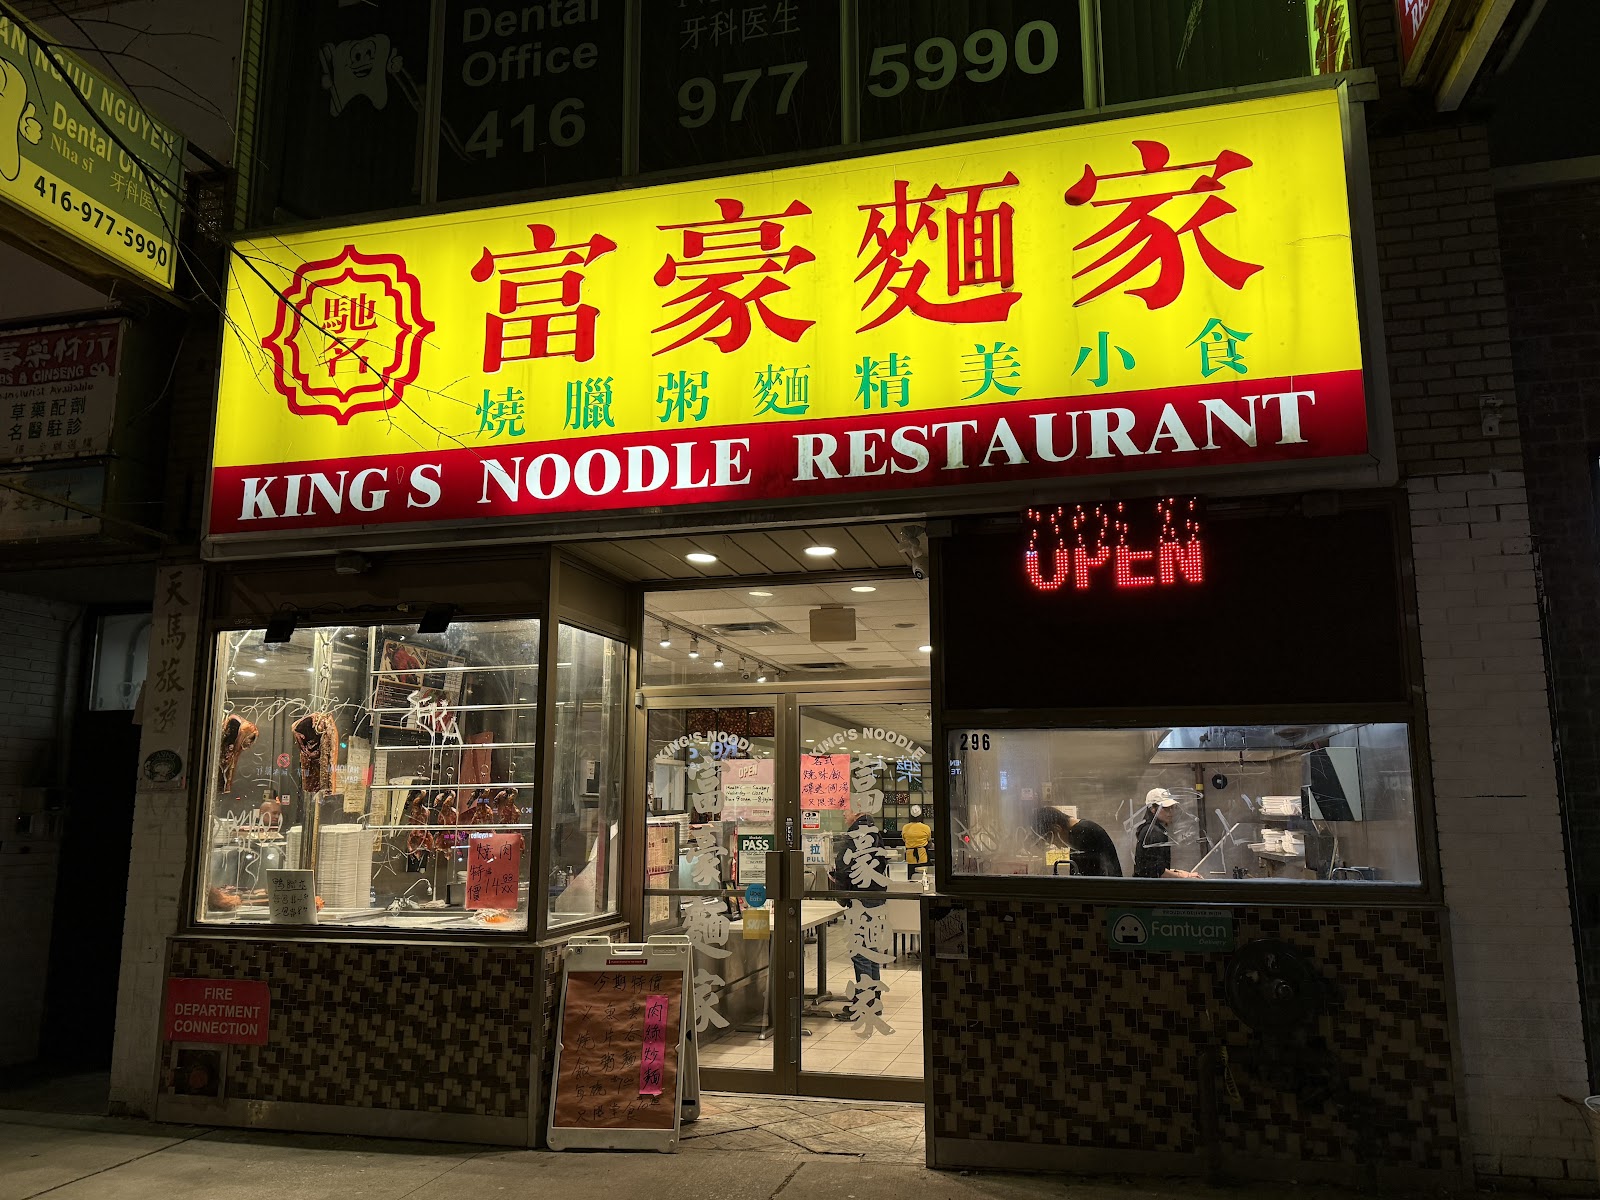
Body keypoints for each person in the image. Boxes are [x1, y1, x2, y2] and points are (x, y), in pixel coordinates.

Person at [830, 813, 887, 1020]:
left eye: (846, 810)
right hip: (874, 896)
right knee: (870, 949)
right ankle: (873, 1000)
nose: (843, 813)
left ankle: (865, 1004)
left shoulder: (855, 835)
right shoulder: (874, 832)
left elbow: (844, 868)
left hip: (860, 898)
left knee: (861, 951)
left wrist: (839, 885)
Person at [1132, 788, 1202, 879]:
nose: (1170, 812)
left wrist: (1181, 873)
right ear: (1153, 809)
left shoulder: (1149, 829)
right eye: (1165, 808)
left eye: (1171, 808)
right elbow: (1157, 872)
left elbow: (1154, 867)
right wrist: (1184, 877)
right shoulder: (1154, 833)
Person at [1034, 807, 1123, 877]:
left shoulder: (1081, 834)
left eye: (1054, 842)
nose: (1058, 847)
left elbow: (1084, 878)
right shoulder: (1080, 830)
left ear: (1057, 828)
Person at [900, 805, 932, 876]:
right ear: (920, 815)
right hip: (922, 857)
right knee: (923, 876)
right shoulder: (926, 828)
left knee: (911, 877)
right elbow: (929, 841)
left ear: (910, 816)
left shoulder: (905, 828)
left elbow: (904, 840)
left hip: (909, 858)